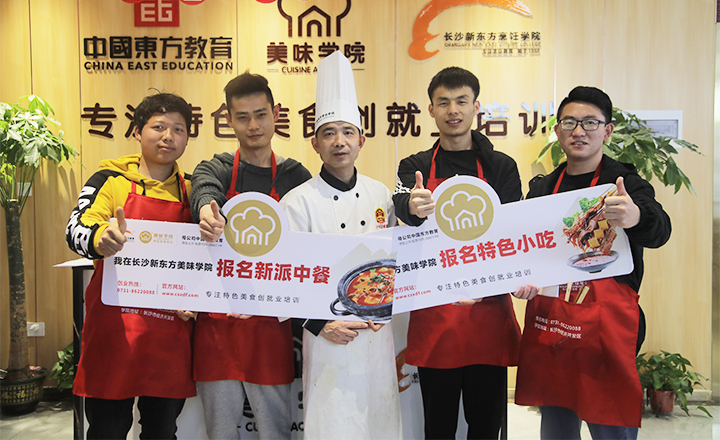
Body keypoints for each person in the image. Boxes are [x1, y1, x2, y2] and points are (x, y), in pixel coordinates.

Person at [514, 86, 672, 439]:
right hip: (553, 323)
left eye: (590, 122)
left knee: (610, 423)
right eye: (569, 122)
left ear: (607, 130)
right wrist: (521, 280)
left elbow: (660, 230)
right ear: (557, 131)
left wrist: (635, 217)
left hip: (606, 326)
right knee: (556, 423)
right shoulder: (543, 188)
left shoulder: (625, 184)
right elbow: (526, 252)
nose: (579, 131)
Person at [392, 66, 537, 440]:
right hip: (436, 313)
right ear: (431, 110)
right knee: (438, 426)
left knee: (486, 426)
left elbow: (512, 230)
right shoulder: (415, 166)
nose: (453, 110)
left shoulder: (500, 166)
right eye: (443, 102)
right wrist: (413, 206)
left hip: (487, 312)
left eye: (461, 101)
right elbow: (403, 207)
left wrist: (518, 278)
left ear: (476, 107)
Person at [280, 50, 402, 440]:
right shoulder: (297, 202)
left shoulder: (381, 194)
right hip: (327, 338)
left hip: (377, 334)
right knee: (332, 424)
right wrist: (320, 324)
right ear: (315, 143)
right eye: (329, 133)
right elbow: (286, 277)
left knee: (380, 422)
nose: (339, 142)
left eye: (348, 132)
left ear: (361, 140)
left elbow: (392, 260)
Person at [65, 92, 195, 439]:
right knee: (107, 429)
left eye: (178, 129)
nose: (168, 137)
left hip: (169, 332)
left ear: (187, 138)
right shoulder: (109, 180)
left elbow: (210, 257)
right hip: (115, 330)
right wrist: (100, 238)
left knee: (162, 431)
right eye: (158, 127)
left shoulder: (193, 190)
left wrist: (198, 298)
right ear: (137, 131)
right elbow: (76, 228)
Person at [189, 72, 312, 440]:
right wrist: (206, 211)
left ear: (276, 114)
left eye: (260, 114)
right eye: (242, 117)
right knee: (220, 432)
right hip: (218, 321)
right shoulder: (216, 168)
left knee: (275, 431)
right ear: (229, 120)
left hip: (270, 325)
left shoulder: (296, 176)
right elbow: (204, 189)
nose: (253, 125)